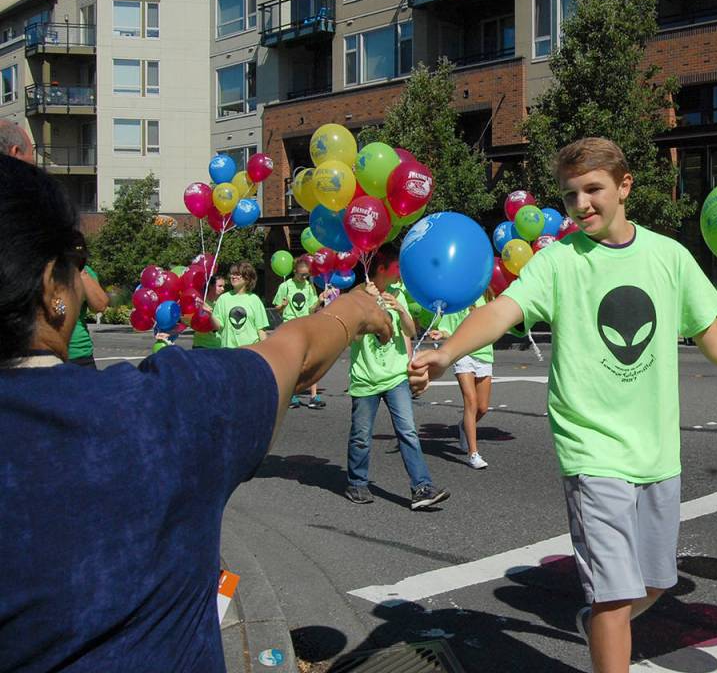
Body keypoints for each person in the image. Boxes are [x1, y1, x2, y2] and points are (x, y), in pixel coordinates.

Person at [411, 138, 717, 673]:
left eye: (592, 189)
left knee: (657, 582)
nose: (582, 204)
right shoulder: (559, 262)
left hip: (657, 454)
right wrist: (447, 351)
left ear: (624, 186)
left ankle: (598, 623)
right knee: (614, 600)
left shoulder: (669, 257)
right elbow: (503, 310)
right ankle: (604, 621)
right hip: (591, 451)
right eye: (571, 194)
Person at [0, 155, 429, 670]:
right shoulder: (159, 413)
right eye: (78, 260)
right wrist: (355, 309)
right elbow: (295, 357)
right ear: (52, 289)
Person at [345, 244, 450, 510]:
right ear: (381, 269)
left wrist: (400, 309)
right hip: (365, 379)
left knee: (408, 432)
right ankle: (357, 483)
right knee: (361, 435)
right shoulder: (356, 296)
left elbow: (410, 330)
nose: (400, 272)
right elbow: (354, 336)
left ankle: (422, 487)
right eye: (396, 267)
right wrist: (369, 306)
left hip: (395, 377)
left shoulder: (397, 292)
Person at [430, 293, 494, 469]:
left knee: (482, 408)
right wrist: (441, 333)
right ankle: (473, 454)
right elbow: (448, 327)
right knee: (471, 402)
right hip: (462, 353)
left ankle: (464, 426)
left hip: (484, 352)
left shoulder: (487, 296)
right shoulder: (458, 295)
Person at [274, 257, 326, 408]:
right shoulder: (285, 286)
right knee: (293, 363)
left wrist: (319, 300)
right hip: (290, 327)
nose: (304, 277)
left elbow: (311, 309)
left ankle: (314, 396)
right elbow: (277, 310)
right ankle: (292, 395)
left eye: (307, 275)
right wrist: (282, 306)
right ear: (295, 272)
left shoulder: (309, 286)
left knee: (311, 361)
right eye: (302, 275)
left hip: (306, 326)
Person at [67, 241, 109, 368]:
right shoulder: (39, 270)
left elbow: (100, 306)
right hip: (47, 354)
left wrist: (80, 271)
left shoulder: (85, 272)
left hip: (79, 354)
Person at [211, 261, 268, 348]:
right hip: (228, 352)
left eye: (237, 274)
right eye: (232, 274)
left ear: (247, 278)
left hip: (250, 352)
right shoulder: (223, 299)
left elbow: (261, 330)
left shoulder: (254, 300)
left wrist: (266, 351)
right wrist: (208, 315)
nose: (233, 276)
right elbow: (217, 326)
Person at [193, 274, 226, 350]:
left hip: (218, 345)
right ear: (211, 286)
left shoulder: (221, 304)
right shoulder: (201, 302)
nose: (223, 289)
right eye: (220, 286)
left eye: (223, 286)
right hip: (201, 346)